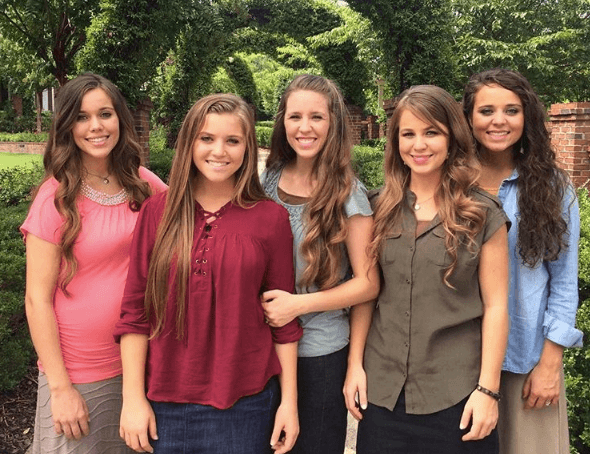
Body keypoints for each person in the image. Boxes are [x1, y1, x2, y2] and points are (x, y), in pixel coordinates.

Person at [115, 93, 302, 454]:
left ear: (248, 148)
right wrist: (132, 398)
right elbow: (135, 312)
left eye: (233, 140)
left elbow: (283, 320)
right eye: (207, 138)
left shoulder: (271, 219)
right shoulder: (157, 212)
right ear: (189, 142)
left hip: (246, 405)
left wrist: (289, 403)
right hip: (163, 403)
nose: (219, 151)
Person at [344, 85, 509, 453]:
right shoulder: (376, 208)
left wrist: (488, 390)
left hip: (457, 395)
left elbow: (497, 306)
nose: (419, 145)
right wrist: (355, 366)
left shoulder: (482, 213)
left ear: (452, 139)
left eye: (431, 132)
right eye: (408, 134)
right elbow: (366, 293)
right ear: (396, 141)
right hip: (383, 393)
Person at [21, 73, 167, 454]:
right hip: (79, 373)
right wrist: (60, 388)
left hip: (141, 363)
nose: (96, 126)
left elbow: (193, 215)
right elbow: (36, 300)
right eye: (82, 117)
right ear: (68, 126)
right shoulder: (55, 198)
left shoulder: (142, 183)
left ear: (119, 117)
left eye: (105, 114)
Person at [462, 68, 582, 454]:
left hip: (525, 360)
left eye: (511, 110)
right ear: (468, 118)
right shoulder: (450, 184)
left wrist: (550, 364)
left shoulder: (553, 189)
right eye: (486, 110)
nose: (499, 120)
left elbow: (564, 281)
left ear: (526, 117)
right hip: (457, 359)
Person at [260, 74, 380, 454]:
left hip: (320, 356)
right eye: (295, 116)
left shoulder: (348, 193)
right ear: (282, 121)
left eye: (317, 117)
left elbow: (368, 283)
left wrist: (298, 305)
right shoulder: (268, 180)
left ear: (334, 123)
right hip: (266, 352)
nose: (305, 127)